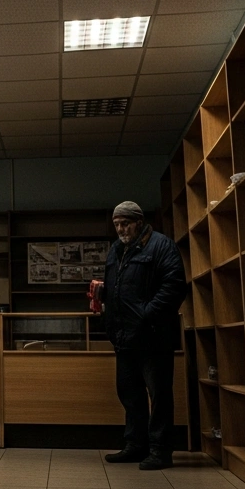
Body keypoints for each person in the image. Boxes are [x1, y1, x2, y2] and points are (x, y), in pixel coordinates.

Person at [95, 201, 186, 470]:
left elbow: (174, 287)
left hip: (154, 336)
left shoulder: (161, 245)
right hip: (124, 336)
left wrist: (146, 314)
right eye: (116, 224)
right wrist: (103, 297)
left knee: (159, 395)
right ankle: (136, 445)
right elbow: (118, 287)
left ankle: (160, 450)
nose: (120, 229)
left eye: (125, 223)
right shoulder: (116, 249)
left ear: (139, 222)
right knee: (129, 393)